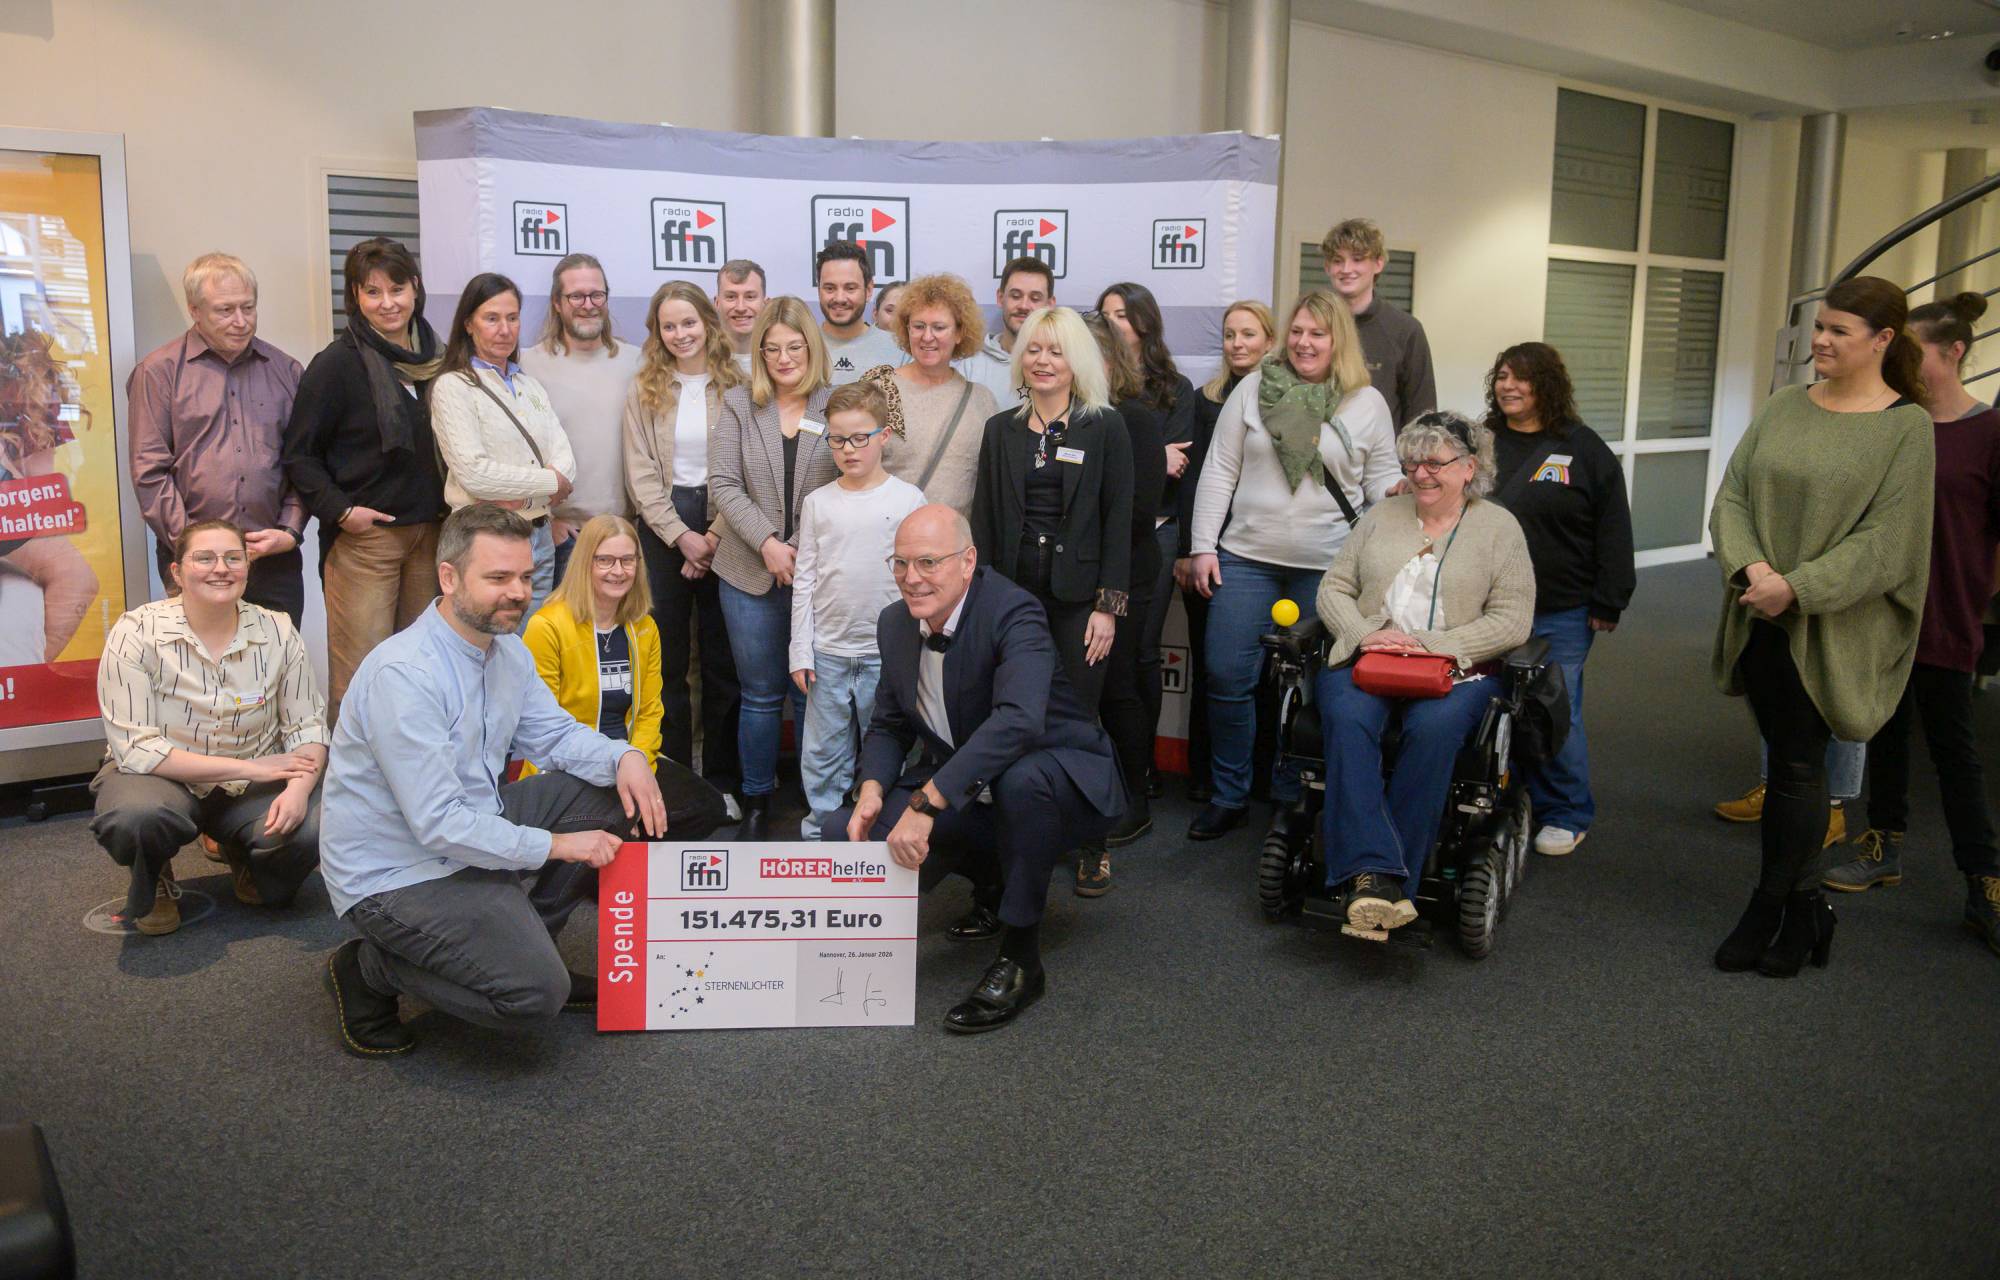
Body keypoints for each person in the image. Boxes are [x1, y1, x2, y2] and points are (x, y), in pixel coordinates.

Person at [318, 503, 670, 1058]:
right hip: (398, 871)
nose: (518, 593)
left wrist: (624, 756)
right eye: (498, 578)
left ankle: (525, 941)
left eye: (525, 577)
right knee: (536, 996)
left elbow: (554, 735)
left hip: (475, 826)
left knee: (612, 789)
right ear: (449, 577)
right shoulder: (404, 675)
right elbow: (438, 824)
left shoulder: (506, 650)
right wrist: (557, 845)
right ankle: (371, 968)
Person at [823, 505, 1125, 1032]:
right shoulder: (895, 622)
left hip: (1060, 777)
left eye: (928, 562)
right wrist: (871, 789)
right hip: (968, 782)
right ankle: (992, 883)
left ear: (968, 562)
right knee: (843, 830)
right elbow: (889, 725)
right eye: (900, 563)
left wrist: (926, 804)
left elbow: (1019, 722)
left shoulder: (1014, 611)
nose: (911, 577)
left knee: (1021, 783)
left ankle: (1021, 959)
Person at [1709, 276, 1934, 979]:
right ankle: (1804, 910)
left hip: (1831, 626)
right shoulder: (1784, 405)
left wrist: (1797, 588)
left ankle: (1771, 905)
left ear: (1884, 340)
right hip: (1762, 614)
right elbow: (1733, 495)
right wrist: (1754, 569)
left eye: (1839, 330)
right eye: (1820, 327)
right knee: (1788, 766)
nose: (1822, 341)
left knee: (1800, 770)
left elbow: (1888, 543)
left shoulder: (1906, 427)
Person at [1185, 291, 1399, 840]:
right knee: (1227, 678)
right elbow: (1219, 469)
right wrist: (1204, 545)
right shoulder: (1254, 388)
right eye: (1297, 331)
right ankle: (1230, 795)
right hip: (1245, 559)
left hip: (1328, 569)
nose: (1304, 343)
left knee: (1310, 689)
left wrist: (1402, 489)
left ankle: (1290, 796)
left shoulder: (1366, 403)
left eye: (1317, 334)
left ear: (1338, 341)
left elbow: (1379, 480)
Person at [1824, 291, 2000, 956]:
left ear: (1954, 353)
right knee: (1886, 731)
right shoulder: (1899, 423)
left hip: (1948, 612)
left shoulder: (1989, 432)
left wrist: (1972, 593)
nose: (1901, 362)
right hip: (1881, 609)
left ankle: (1984, 880)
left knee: (1955, 752)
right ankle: (1884, 845)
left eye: (1914, 351)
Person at [1312, 413, 1534, 930]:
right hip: (1371, 657)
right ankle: (1378, 878)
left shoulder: (1500, 528)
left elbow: (1513, 619)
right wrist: (1364, 633)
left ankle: (1385, 883)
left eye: (1434, 462)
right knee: (1347, 717)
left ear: (1469, 467)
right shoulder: (1382, 515)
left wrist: (1432, 646)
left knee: (1432, 730)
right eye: (1412, 462)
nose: (1420, 474)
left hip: (1456, 670)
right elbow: (1334, 588)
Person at [91, 520, 327, 935]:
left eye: (233, 558)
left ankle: (250, 858)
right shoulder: (135, 632)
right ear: (177, 572)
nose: (221, 568)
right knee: (136, 817)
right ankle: (154, 875)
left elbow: (307, 728)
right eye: (204, 558)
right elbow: (137, 749)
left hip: (250, 786)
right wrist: (251, 769)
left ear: (247, 568)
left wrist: (298, 790)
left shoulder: (278, 630)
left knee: (318, 820)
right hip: (162, 779)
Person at [970, 305, 1132, 890]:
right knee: (1013, 712)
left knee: (1079, 721)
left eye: (1056, 351)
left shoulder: (1104, 426)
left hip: (1080, 601)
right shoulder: (1001, 429)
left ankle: (1092, 843)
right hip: (1013, 598)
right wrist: (980, 602)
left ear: (1076, 361)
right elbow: (986, 518)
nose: (1043, 361)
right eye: (1034, 350)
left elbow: (1119, 520)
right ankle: (1022, 833)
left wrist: (1108, 608)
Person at [283, 237, 447, 720]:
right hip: (366, 544)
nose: (387, 303)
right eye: (372, 292)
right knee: (361, 680)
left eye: (397, 289)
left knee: (421, 675)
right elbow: (299, 455)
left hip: (433, 537)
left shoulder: (439, 360)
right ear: (355, 296)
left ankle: (411, 770)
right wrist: (342, 512)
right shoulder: (337, 364)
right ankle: (352, 772)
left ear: (415, 288)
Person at [1482, 342, 1635, 856]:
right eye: (1502, 375)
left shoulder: (1584, 449)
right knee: (1490, 703)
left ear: (1546, 385)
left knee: (1553, 709)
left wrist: (1610, 599)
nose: (1508, 386)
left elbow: (1613, 528)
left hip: (1561, 607)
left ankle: (1567, 811)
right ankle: (1503, 795)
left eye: (1521, 377)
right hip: (1489, 605)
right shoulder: (1480, 442)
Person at [709, 296, 839, 838]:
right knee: (760, 695)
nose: (784, 358)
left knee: (811, 692)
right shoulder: (740, 404)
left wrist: (798, 550)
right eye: (772, 349)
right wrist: (766, 542)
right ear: (760, 354)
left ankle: (816, 803)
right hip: (747, 571)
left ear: (812, 348)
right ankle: (757, 801)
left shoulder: (837, 404)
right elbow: (723, 483)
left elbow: (850, 479)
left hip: (820, 573)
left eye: (795, 347)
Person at [522, 514, 731, 835]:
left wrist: (636, 770)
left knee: (707, 807)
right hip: (568, 767)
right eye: (605, 560)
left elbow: (649, 713)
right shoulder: (547, 626)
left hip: (628, 763)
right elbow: (544, 728)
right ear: (584, 563)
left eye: (627, 560)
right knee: (621, 821)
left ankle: (626, 836)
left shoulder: (643, 627)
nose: (618, 571)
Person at [128, 253, 308, 625]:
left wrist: (289, 530)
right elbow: (150, 472)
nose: (241, 321)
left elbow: (304, 461)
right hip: (196, 563)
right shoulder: (159, 373)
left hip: (272, 558)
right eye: (225, 310)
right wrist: (197, 546)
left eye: (248, 307)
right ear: (194, 310)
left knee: (276, 658)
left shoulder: (287, 371)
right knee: (201, 660)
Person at [622, 281, 745, 808]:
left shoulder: (739, 384)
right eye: (668, 326)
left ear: (708, 323)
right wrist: (682, 537)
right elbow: (640, 474)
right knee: (666, 663)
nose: (680, 334)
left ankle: (722, 781)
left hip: (729, 522)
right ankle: (673, 783)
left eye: (688, 322)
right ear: (657, 332)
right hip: (663, 527)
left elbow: (748, 468)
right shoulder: (644, 388)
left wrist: (713, 535)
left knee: (722, 662)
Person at [788, 381, 926, 840]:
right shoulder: (818, 503)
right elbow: (805, 579)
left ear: (884, 436)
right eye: (838, 439)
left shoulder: (908, 500)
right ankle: (820, 834)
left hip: (886, 654)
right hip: (827, 651)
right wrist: (800, 650)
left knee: (886, 747)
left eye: (859, 438)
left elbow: (920, 580)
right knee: (822, 754)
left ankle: (880, 831)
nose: (848, 449)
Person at [429, 273, 578, 629]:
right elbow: (475, 475)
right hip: (485, 540)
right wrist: (548, 484)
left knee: (531, 646)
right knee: (489, 641)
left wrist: (522, 494)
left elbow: (566, 462)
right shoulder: (454, 386)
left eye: (512, 318)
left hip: (539, 539)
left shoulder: (530, 385)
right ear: (469, 324)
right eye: (492, 318)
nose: (505, 329)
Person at [1097, 282, 1196, 811]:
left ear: (1144, 322)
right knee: (1107, 660)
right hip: (1100, 539)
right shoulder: (1093, 389)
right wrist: (1155, 455)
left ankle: (1144, 766)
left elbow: (1173, 470)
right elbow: (1154, 461)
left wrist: (1153, 460)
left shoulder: (1173, 389)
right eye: (1105, 314)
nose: (1112, 323)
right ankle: (1109, 765)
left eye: (1122, 314)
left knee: (1141, 653)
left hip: (1155, 532)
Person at [1175, 301, 1277, 803]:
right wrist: (1190, 548)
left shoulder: (1287, 399)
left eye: (1249, 334)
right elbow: (1193, 478)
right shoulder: (1204, 400)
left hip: (1266, 551)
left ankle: (1263, 777)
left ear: (1270, 341)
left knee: (1268, 674)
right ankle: (1206, 775)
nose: (1238, 343)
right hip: (1210, 551)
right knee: (1213, 668)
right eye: (1231, 334)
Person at [1087, 315, 1166, 875]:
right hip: (1073, 578)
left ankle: (1135, 799)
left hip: (1126, 574)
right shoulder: (1064, 418)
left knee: (1118, 688)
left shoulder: (1134, 418)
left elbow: (1140, 511)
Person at [519, 253, 642, 582]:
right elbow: (516, 454)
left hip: (626, 534)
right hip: (564, 539)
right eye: (576, 296)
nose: (588, 305)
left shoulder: (638, 363)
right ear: (557, 303)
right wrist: (546, 522)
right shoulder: (528, 366)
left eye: (596, 295)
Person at [0, 327, 99, 661]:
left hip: (9, 511)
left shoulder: (31, 375)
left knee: (76, 578)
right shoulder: (31, 371)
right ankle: (27, 679)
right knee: (75, 577)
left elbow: (39, 492)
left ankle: (27, 678)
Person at [880, 272, 999, 511]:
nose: (927, 337)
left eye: (939, 327)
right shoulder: (879, 392)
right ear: (906, 329)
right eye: (919, 326)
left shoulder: (982, 401)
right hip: (891, 532)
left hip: (958, 533)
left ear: (959, 333)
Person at [1321, 218, 1436, 428]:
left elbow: (1422, 412)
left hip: (1383, 449)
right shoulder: (1312, 325)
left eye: (1357, 259)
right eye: (1337, 261)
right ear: (1327, 267)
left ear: (1378, 264)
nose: (1346, 269)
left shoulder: (1406, 330)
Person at [958, 256, 1054, 405]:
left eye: (1035, 298)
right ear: (1000, 298)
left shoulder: (1061, 366)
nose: (1024, 306)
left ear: (1050, 304)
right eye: (1015, 296)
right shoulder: (969, 366)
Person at [815, 241, 903, 382]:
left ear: (868, 290)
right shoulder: (800, 346)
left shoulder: (899, 350)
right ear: (819, 290)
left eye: (850, 288)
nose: (839, 298)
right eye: (830, 288)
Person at [714, 259, 768, 374]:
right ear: (717, 303)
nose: (740, 308)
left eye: (750, 297)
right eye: (731, 297)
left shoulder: (780, 361)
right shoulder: (700, 361)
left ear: (765, 303)